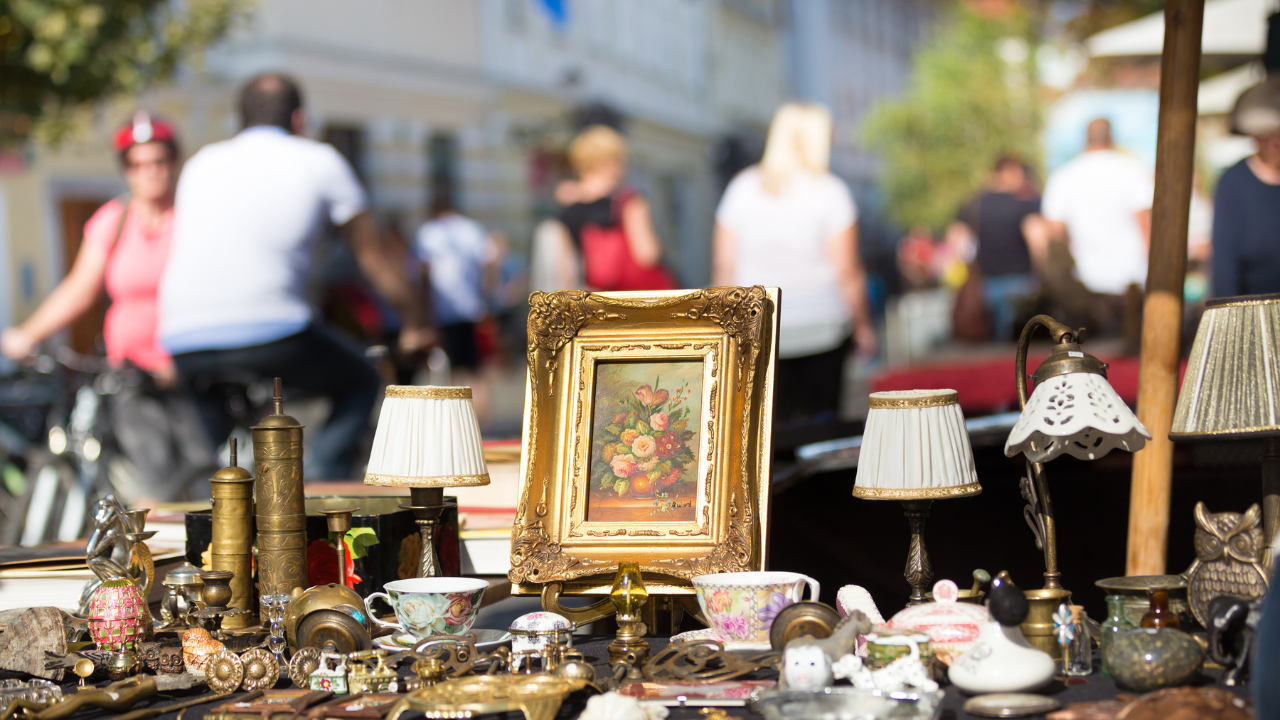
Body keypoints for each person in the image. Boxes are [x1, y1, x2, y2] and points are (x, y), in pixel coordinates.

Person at [158, 74, 431, 480]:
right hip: (272, 331)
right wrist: (416, 322)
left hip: (183, 337)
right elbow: (372, 259)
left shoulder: (201, 162)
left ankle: (225, 511)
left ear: (240, 120)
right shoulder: (320, 160)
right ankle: (321, 492)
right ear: (300, 119)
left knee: (226, 467)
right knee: (360, 379)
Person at [0, 113, 210, 502]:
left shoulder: (194, 219)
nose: (149, 173)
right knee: (149, 484)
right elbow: (79, 289)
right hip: (129, 375)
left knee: (204, 481)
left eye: (158, 162)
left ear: (173, 163)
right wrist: (27, 334)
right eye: (137, 164)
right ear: (126, 171)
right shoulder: (113, 221)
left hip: (189, 375)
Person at [712, 102, 875, 424]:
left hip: (760, 327)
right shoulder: (830, 191)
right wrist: (863, 325)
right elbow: (847, 269)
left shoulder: (741, 189)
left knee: (767, 431)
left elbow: (724, 266)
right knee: (822, 426)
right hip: (822, 323)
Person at [1041, 118, 1153, 298]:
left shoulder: (1062, 177)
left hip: (1083, 282)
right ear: (1112, 138)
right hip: (1132, 278)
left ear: (1085, 139)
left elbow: (1055, 234)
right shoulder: (1133, 170)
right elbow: (1147, 226)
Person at [556, 125, 676, 291]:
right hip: (643, 294)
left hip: (603, 298)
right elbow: (647, 254)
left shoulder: (568, 208)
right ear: (609, 161)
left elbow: (566, 269)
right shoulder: (628, 199)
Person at [952, 156, 1043, 339]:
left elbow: (957, 242)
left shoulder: (973, 204)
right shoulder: (1023, 204)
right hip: (1021, 284)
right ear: (1009, 173)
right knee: (1020, 345)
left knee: (993, 344)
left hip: (986, 285)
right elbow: (1037, 241)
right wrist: (1042, 273)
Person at [413, 191, 499, 376]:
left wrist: (425, 304)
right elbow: (491, 260)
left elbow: (423, 272)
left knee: (454, 371)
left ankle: (462, 405)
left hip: (443, 310)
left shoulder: (429, 232)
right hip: (472, 309)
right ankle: (479, 405)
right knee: (476, 369)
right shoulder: (471, 228)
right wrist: (487, 292)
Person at [1212, 75, 1280, 297]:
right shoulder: (1233, 183)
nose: (1274, 142)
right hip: (1253, 316)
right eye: (1265, 134)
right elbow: (1224, 265)